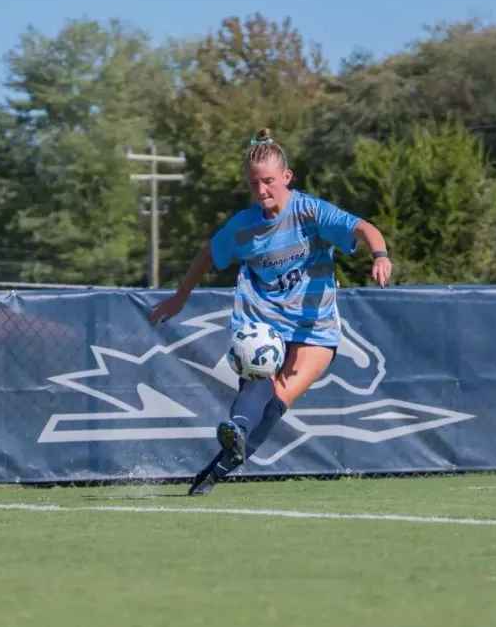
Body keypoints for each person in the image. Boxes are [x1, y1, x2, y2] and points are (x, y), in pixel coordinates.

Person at [149, 127, 392, 496]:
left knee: (278, 400)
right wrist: (180, 297)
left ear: (286, 177)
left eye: (268, 182)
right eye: (253, 184)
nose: (261, 191)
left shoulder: (310, 211)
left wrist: (380, 255)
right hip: (264, 321)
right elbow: (206, 254)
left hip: (315, 326)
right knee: (258, 383)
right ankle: (236, 432)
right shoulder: (244, 226)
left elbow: (364, 228)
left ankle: (216, 470)